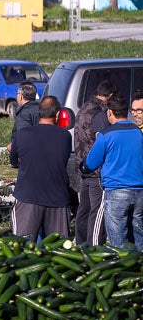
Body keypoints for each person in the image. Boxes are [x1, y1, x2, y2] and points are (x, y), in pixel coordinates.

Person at [81, 95, 143, 251]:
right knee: (138, 237)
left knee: (118, 243)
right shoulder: (137, 133)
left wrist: (83, 167)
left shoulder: (105, 135)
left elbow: (91, 163)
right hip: (139, 192)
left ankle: (122, 271)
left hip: (117, 192)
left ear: (110, 112)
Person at [9, 95, 71, 239]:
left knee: (22, 247)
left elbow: (13, 161)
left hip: (28, 196)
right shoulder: (65, 136)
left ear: (39, 113)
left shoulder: (22, 135)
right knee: (59, 251)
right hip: (57, 198)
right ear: (57, 115)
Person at [73, 80, 115, 244]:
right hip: (97, 170)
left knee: (84, 208)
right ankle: (94, 246)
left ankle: (82, 244)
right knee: (97, 211)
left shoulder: (84, 108)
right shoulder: (100, 113)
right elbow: (102, 141)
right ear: (109, 95)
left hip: (83, 166)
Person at [7, 83, 40, 155]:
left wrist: (13, 148)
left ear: (21, 96)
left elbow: (23, 137)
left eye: (17, 94)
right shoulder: (41, 109)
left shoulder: (24, 113)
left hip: (29, 156)